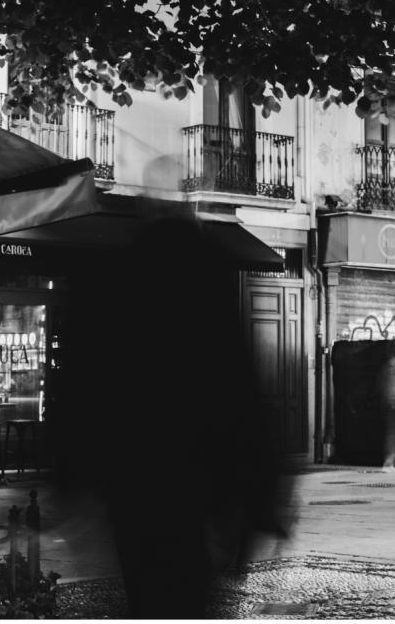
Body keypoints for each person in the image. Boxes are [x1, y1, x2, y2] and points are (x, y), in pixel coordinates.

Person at [64, 217, 289, 618]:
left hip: (136, 488)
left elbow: (87, 389)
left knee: (148, 587)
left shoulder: (119, 303)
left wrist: (74, 476)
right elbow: (243, 402)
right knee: (186, 588)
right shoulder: (209, 314)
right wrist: (260, 497)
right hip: (194, 490)